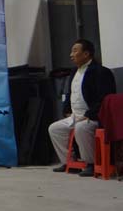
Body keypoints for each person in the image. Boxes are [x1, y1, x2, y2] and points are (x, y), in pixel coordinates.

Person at [48, 39, 116, 177]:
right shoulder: (74, 72)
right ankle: (69, 162)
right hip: (75, 116)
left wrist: (89, 114)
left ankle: (91, 163)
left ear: (86, 54)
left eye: (75, 51)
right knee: (55, 129)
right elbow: (70, 93)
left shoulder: (101, 72)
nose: (71, 55)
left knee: (81, 128)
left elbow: (105, 98)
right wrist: (67, 111)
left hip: (93, 117)